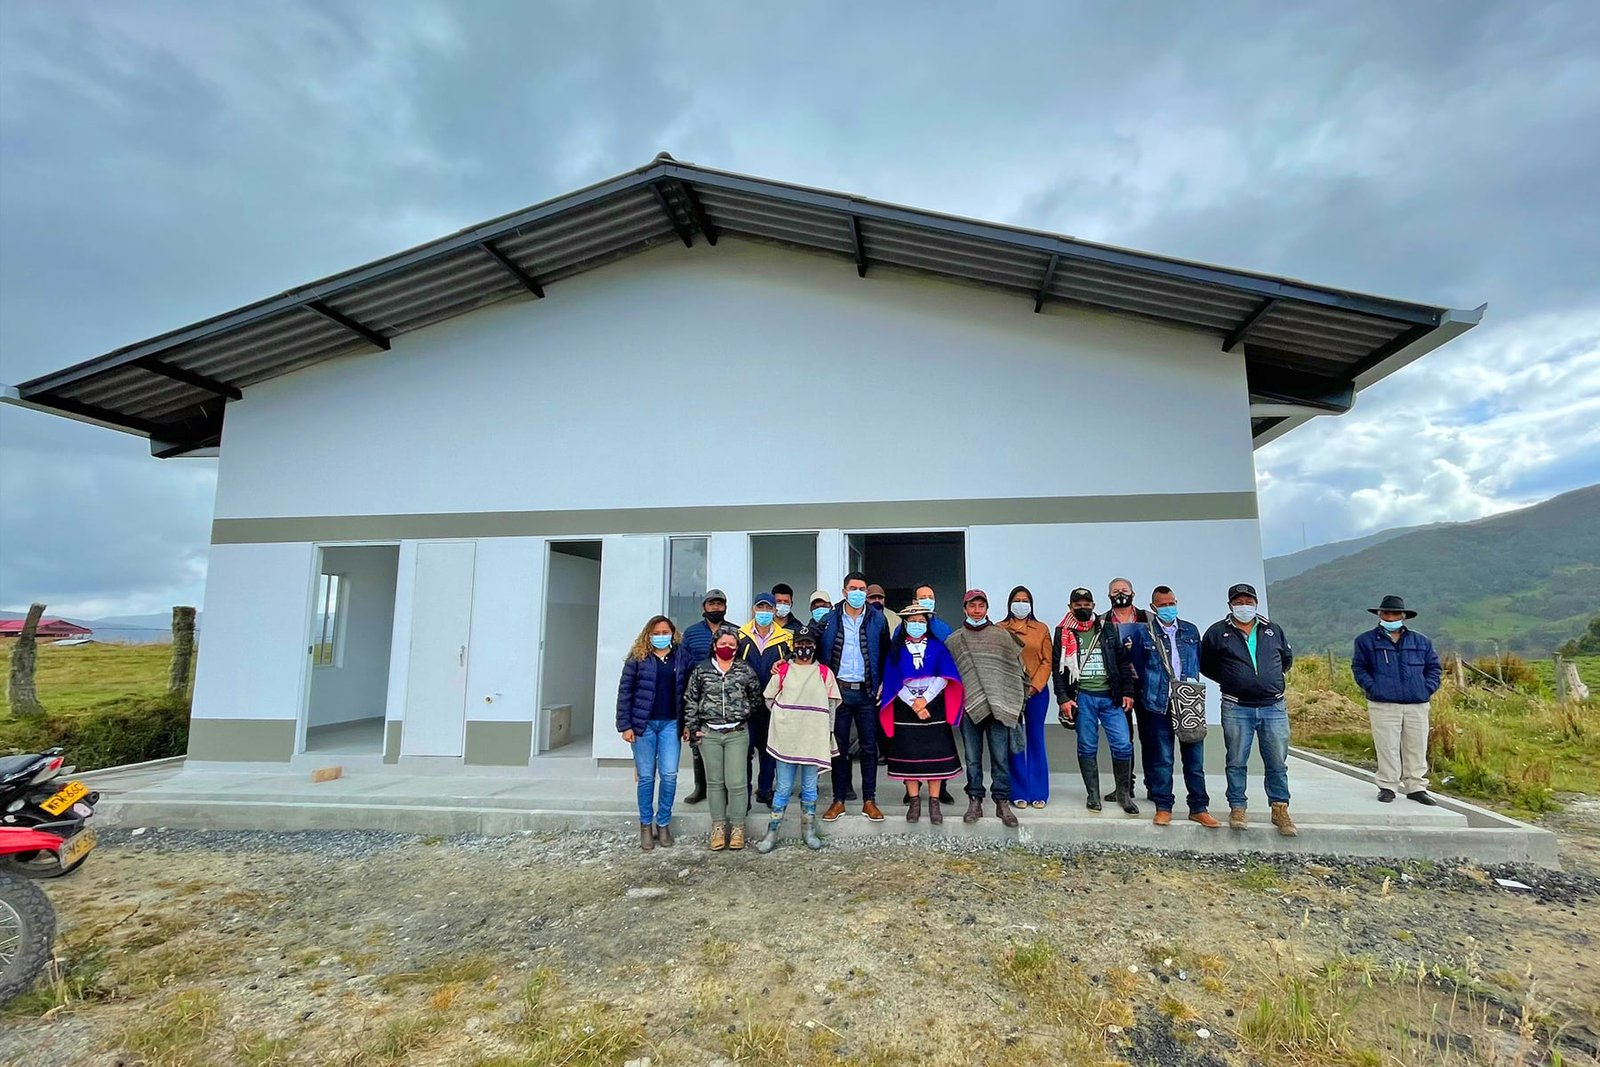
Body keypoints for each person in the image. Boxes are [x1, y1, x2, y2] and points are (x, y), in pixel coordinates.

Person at [1200, 583, 1297, 836]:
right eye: (1239, 602)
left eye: (1248, 601)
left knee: (1277, 761)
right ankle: (1238, 807)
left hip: (1273, 706)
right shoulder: (1217, 632)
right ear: (1230, 605)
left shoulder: (1272, 630)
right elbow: (1206, 664)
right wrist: (1232, 678)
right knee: (1236, 760)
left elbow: (1286, 660)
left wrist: (1266, 679)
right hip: (1236, 706)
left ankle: (1280, 809)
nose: (1244, 606)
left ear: (1256, 603)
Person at [1124, 586, 1219, 827]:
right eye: (1163, 605)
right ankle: (1164, 806)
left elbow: (1200, 660)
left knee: (1194, 760)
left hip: (1188, 703)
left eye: (1171, 603)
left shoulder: (1190, 630)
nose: (1168, 608)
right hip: (1158, 703)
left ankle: (1199, 807)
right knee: (1162, 759)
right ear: (1153, 607)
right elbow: (1136, 667)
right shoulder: (1144, 633)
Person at [1053, 587, 1140, 814]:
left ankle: (1123, 793)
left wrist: (1128, 692)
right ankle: (1093, 794)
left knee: (1123, 744)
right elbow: (1057, 669)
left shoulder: (1107, 628)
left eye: (1086, 604)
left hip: (1111, 697)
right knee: (1087, 746)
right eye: (1078, 605)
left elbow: (1122, 662)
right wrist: (1063, 698)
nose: (1082, 608)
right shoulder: (1062, 632)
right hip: (1083, 698)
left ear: (1093, 605)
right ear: (1070, 607)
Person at [944, 590, 1027, 827]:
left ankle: (1002, 801)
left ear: (987, 608)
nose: (977, 610)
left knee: (1000, 758)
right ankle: (975, 800)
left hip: (999, 705)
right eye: (972, 606)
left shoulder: (1002, 636)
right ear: (965, 609)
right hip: (969, 707)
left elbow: (1017, 670)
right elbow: (950, 677)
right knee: (972, 758)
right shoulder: (954, 640)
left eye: (981, 606)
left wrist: (1015, 700)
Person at [756, 624, 840, 852]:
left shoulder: (824, 673)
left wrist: (828, 732)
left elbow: (831, 706)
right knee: (783, 787)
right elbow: (769, 698)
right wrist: (783, 716)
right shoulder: (783, 670)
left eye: (808, 644)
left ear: (815, 646)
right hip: (787, 738)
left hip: (813, 738)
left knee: (810, 787)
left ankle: (808, 831)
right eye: (800, 644)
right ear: (793, 646)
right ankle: (772, 832)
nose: (804, 648)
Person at [1351, 595, 1443, 805]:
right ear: (1379, 615)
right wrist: (1374, 688)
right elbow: (1359, 668)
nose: (1390, 617)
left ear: (1403, 616)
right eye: (1386, 613)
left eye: (1394, 614)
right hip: (1383, 703)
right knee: (1387, 746)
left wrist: (1426, 688)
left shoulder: (1421, 641)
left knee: (1417, 746)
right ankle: (1387, 786)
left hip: (1417, 703)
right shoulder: (1365, 641)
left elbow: (1433, 668)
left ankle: (1416, 788)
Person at [879, 605, 964, 824]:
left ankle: (934, 803)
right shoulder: (896, 650)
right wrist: (914, 703)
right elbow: (893, 681)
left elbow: (945, 676)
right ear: (905, 624)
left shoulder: (937, 647)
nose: (917, 625)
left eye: (921, 621)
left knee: (936, 756)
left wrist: (925, 699)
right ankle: (914, 802)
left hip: (933, 706)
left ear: (927, 624)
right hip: (905, 707)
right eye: (912, 621)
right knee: (910, 755)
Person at [683, 625, 764, 851]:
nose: (727, 647)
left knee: (737, 783)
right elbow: (691, 699)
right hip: (709, 733)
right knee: (715, 783)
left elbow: (756, 697)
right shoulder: (702, 670)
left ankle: (738, 827)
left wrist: (742, 713)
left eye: (731, 644)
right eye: (722, 644)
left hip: (736, 733)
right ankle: (718, 827)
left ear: (737, 647)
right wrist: (693, 727)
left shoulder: (744, 669)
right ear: (714, 645)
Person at [820, 572, 892, 822]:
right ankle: (838, 800)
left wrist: (883, 681)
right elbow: (813, 648)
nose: (858, 593)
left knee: (869, 748)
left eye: (862, 589)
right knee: (838, 748)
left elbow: (886, 653)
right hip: (838, 692)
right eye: (853, 588)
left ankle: (869, 801)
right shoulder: (829, 619)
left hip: (866, 692)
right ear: (844, 592)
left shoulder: (878, 619)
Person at [615, 615, 684, 851]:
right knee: (646, 777)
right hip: (643, 725)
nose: (661, 636)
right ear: (648, 634)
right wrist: (625, 726)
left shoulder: (681, 657)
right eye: (656, 633)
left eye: (665, 632)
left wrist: (688, 724)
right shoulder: (638, 658)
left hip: (671, 725)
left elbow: (688, 691)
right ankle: (646, 825)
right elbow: (625, 693)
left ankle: (663, 823)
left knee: (670, 775)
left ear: (672, 634)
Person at [739, 592, 794, 806]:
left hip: (773, 704)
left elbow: (794, 662)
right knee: (744, 751)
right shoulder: (740, 636)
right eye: (760, 607)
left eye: (768, 608)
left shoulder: (786, 638)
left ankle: (765, 790)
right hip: (746, 704)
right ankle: (744, 795)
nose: (764, 612)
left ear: (774, 610)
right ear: (753, 609)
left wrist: (784, 663)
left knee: (769, 751)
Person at [1001, 585, 1054, 809]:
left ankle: (1038, 791)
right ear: (1009, 604)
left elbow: (1047, 661)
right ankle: (1018, 791)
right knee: (1015, 741)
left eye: (1025, 600)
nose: (1021, 604)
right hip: (1010, 692)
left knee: (1035, 738)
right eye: (1017, 600)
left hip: (1036, 692)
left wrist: (1034, 686)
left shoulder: (1041, 629)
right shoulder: (1000, 629)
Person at [677, 588, 730, 805]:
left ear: (725, 607)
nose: (715, 607)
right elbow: (683, 664)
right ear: (704, 607)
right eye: (711, 604)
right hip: (699, 695)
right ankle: (700, 787)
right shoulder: (691, 633)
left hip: (727, 696)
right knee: (697, 741)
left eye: (719, 604)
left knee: (725, 743)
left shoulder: (735, 631)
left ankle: (725, 788)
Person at [1103, 577, 1154, 796]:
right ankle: (1125, 787)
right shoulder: (1102, 621)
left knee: (1150, 736)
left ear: (1133, 593)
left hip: (1148, 685)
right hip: (1118, 687)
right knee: (1123, 738)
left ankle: (1154, 786)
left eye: (1124, 590)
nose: (1120, 594)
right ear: (1109, 595)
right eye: (1115, 591)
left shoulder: (1149, 618)